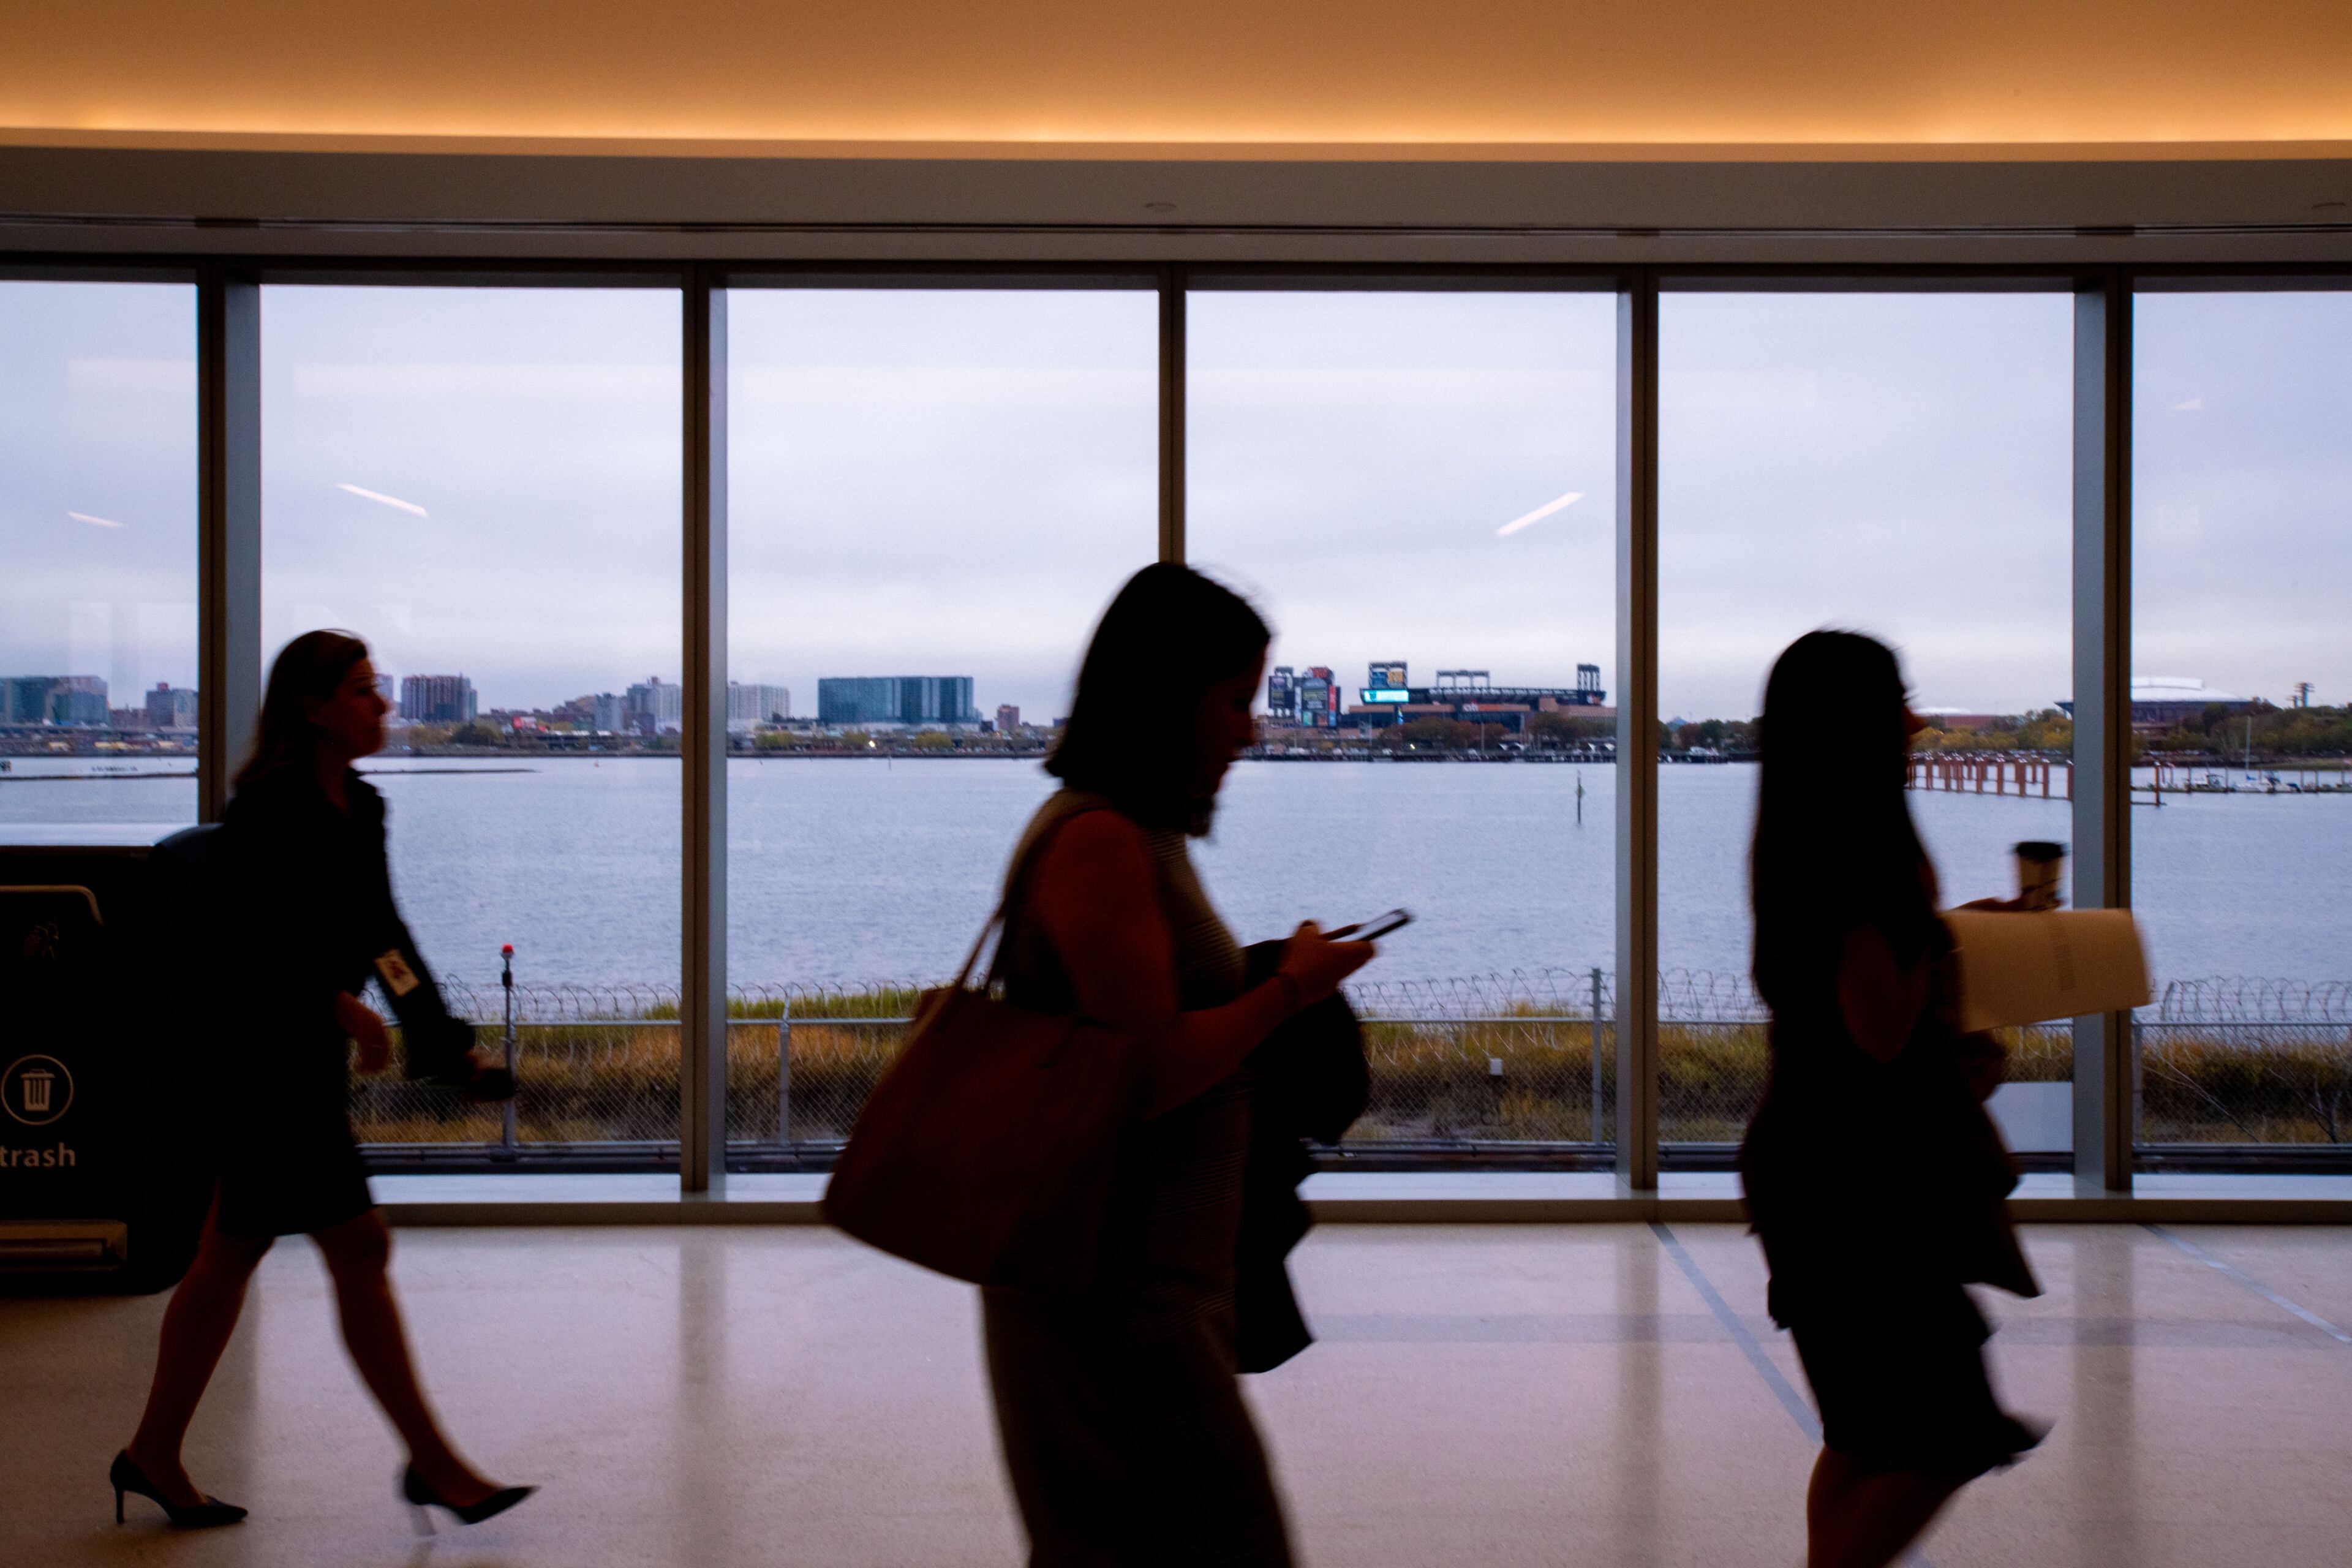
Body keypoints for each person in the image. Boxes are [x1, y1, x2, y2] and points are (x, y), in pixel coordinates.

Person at [981, 565, 1374, 1567]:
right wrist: (1290, 990)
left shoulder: (1139, 833)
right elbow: (1145, 1072)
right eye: (1237, 699)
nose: (1251, 729)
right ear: (1168, 697)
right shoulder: (1101, 842)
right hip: (1108, 1301)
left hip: (1146, 1288)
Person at [111, 630, 532, 1533]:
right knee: (358, 1246)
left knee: (228, 1255)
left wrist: (442, 1042)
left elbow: (384, 936)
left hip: (297, 1062)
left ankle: (151, 1454)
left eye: (377, 689)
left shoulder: (362, 809)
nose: (381, 705)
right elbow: (234, 950)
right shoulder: (265, 814)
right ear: (310, 706)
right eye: (360, 690)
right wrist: (342, 1007)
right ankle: (433, 1464)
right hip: (255, 1063)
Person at [1738, 630, 2044, 1568]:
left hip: (1812, 1167)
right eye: (1898, 704)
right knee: (1948, 1434)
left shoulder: (1794, 841)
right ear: (1858, 727)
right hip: (1866, 1187)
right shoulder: (1869, 856)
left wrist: (1942, 933)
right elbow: (1880, 1027)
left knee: (1866, 1437)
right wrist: (1944, 941)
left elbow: (1847, 994)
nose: (1916, 721)